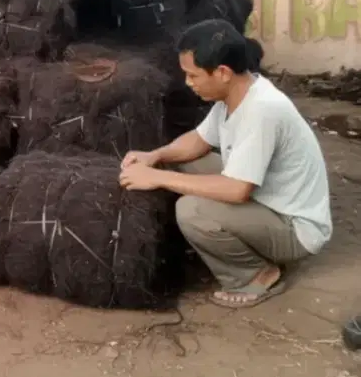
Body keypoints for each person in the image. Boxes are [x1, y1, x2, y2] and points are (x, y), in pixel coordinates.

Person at [118, 19, 331, 308]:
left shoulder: (263, 111)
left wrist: (157, 178)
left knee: (192, 210)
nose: (188, 83)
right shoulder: (236, 94)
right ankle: (231, 246)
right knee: (185, 163)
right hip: (268, 201)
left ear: (222, 72)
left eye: (193, 76)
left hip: (294, 228)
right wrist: (154, 156)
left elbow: (236, 191)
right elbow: (198, 140)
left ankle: (255, 275)